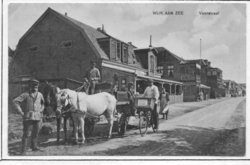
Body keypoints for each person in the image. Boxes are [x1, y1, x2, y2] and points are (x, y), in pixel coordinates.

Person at [13, 79, 44, 155]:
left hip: (37, 116)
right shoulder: (25, 94)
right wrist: (21, 112)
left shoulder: (40, 95)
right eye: (33, 86)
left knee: (36, 132)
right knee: (26, 133)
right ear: (30, 86)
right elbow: (15, 101)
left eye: (36, 86)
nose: (35, 87)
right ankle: (23, 150)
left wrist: (41, 110)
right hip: (28, 117)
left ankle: (34, 146)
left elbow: (43, 103)